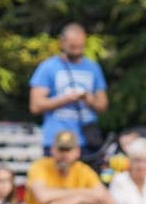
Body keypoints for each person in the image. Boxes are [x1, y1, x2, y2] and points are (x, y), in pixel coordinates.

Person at [29, 22, 108, 152]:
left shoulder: (93, 67)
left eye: (80, 46)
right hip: (57, 141)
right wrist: (66, 99)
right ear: (62, 43)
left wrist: (89, 99)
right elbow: (35, 106)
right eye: (72, 46)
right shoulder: (48, 67)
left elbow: (103, 105)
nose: (76, 50)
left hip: (86, 139)